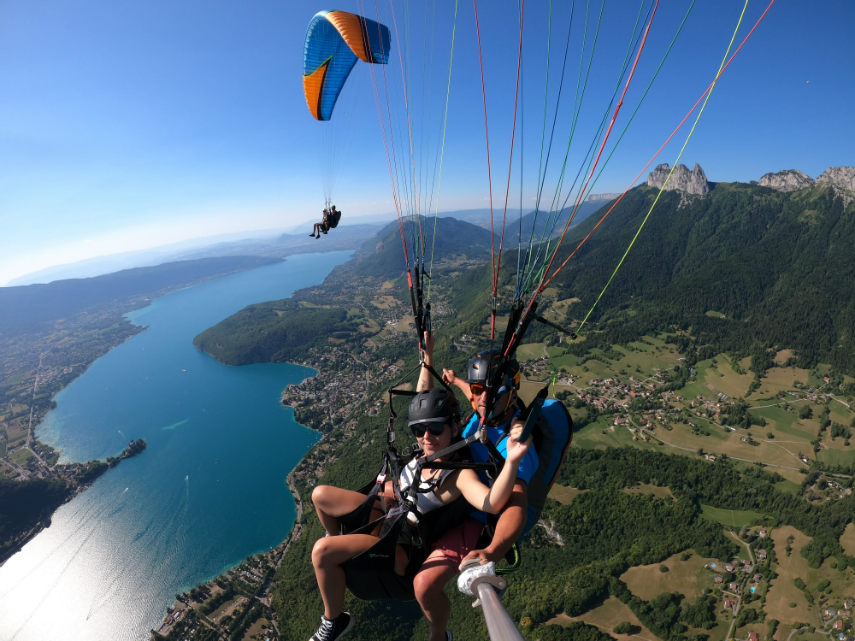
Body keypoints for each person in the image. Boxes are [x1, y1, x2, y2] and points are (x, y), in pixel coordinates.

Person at [308, 385, 532, 641]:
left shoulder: (457, 474)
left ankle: (334, 621)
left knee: (321, 551)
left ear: (454, 428)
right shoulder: (425, 453)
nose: (426, 437)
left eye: (436, 429)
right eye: (418, 430)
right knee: (319, 495)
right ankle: (338, 545)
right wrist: (427, 356)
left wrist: (512, 462)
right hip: (389, 516)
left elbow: (490, 503)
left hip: (401, 545)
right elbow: (423, 394)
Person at [411, 348, 538, 641]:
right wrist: (454, 379)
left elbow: (515, 503)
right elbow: (478, 392)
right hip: (450, 484)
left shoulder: (513, 444)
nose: (482, 398)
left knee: (424, 585)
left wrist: (492, 552)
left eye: (491, 392)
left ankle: (439, 636)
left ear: (511, 392)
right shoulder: (486, 409)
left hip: (473, 515)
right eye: (478, 390)